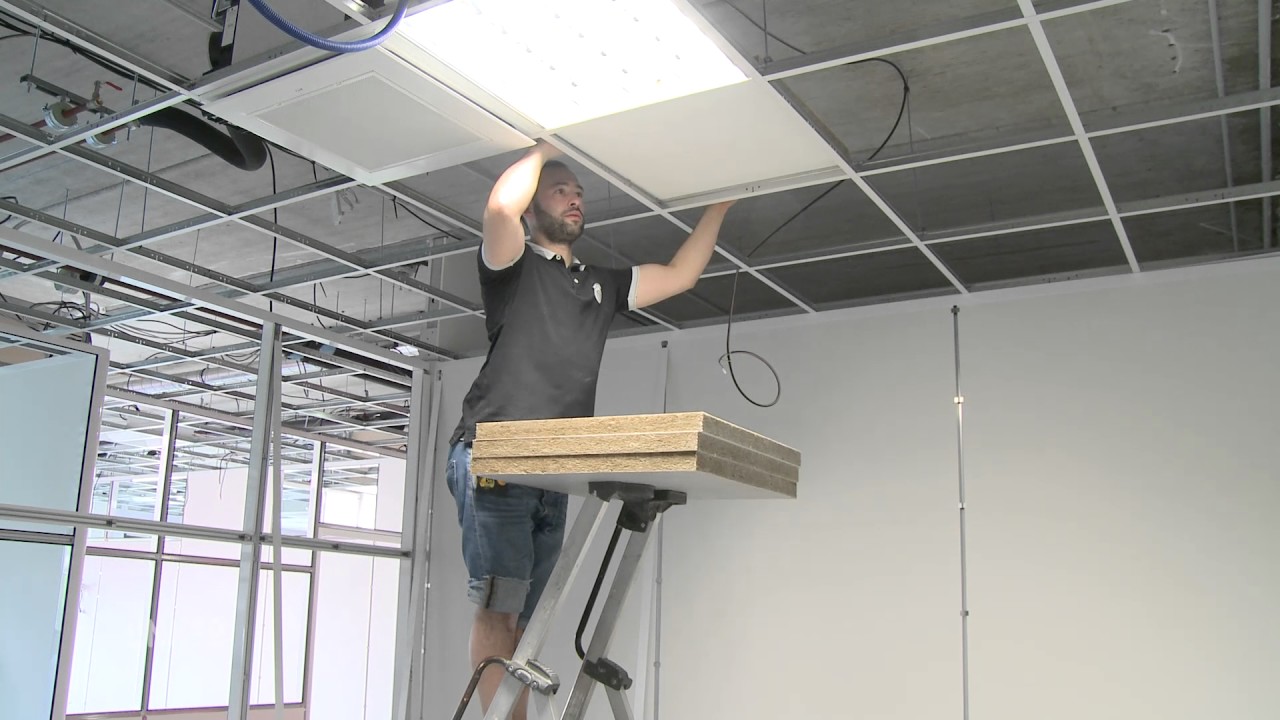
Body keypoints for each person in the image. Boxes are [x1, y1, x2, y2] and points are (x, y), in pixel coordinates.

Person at [444, 140, 734, 718]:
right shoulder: (513, 266)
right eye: (560, 190)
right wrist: (552, 141)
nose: (574, 200)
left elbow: (679, 275)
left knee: (525, 619)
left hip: (555, 471)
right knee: (501, 609)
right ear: (535, 208)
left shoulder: (601, 285)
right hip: (495, 455)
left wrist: (723, 203)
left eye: (579, 193)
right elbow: (499, 211)